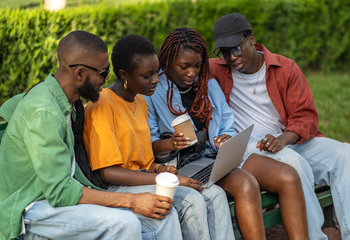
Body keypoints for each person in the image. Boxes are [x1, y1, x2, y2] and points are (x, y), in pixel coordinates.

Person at [0, 31, 183, 240]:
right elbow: (60, 192)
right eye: (103, 71)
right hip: (31, 208)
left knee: (162, 214)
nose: (108, 77)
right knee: (123, 224)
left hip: (62, 197)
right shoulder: (44, 113)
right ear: (80, 73)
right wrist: (131, 201)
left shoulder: (68, 102)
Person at [144, 27, 309, 240]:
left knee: (288, 176)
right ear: (167, 61)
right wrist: (171, 144)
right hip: (183, 166)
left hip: (219, 157)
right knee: (246, 184)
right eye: (184, 67)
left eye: (197, 66)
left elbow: (227, 124)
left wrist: (226, 138)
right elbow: (148, 143)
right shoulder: (153, 90)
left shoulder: (208, 84)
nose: (192, 73)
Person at [209, 13, 350, 239]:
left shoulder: (284, 68)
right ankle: (314, 236)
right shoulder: (216, 69)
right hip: (253, 148)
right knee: (293, 163)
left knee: (345, 154)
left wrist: (283, 139)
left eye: (235, 48)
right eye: (224, 52)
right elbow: (179, 65)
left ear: (251, 39)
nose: (231, 57)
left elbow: (305, 117)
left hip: (288, 140)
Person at [83, 34, 235, 240]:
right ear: (124, 75)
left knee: (215, 195)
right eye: (147, 76)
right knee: (192, 201)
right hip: (119, 186)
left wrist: (161, 169)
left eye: (156, 72)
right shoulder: (102, 105)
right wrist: (168, 178)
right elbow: (108, 173)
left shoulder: (140, 102)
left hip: (146, 177)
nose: (156, 80)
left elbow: (144, 157)